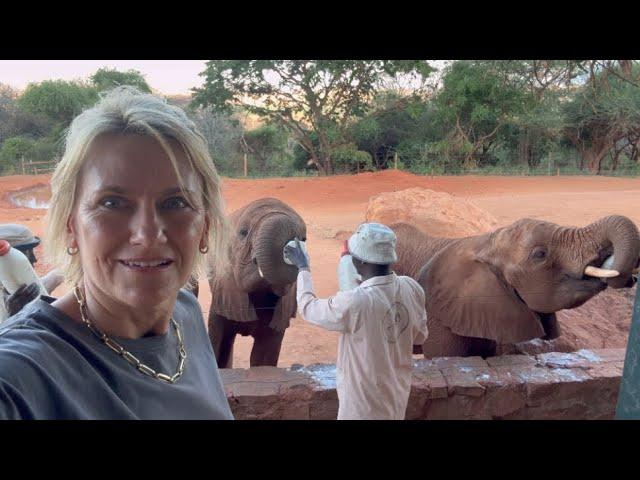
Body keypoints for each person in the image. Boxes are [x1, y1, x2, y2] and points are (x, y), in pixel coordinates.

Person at [0, 87, 233, 420]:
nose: (148, 235)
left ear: (205, 226)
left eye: (176, 202)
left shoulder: (186, 312)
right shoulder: (20, 374)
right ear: (71, 226)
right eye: (112, 203)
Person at [284, 222, 428, 420]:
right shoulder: (411, 288)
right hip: (397, 399)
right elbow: (419, 337)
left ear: (358, 262)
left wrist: (303, 267)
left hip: (362, 408)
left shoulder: (355, 301)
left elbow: (309, 308)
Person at [0, 224, 65, 321]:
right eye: (28, 253)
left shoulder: (12, 281)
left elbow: (39, 289)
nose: (34, 259)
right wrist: (12, 314)